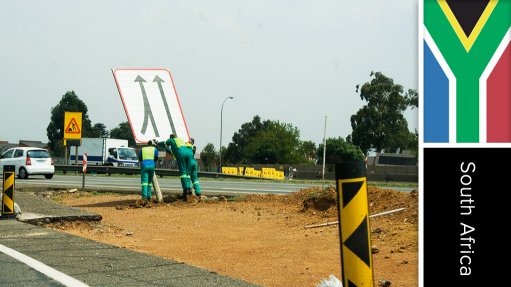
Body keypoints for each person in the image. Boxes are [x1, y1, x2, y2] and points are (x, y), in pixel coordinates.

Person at [155, 134, 193, 200]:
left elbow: (164, 143)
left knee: (183, 173)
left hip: (182, 154)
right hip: (189, 153)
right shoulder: (180, 140)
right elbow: (170, 151)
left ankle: (185, 189)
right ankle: (189, 188)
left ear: (171, 138)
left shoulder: (172, 140)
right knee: (187, 173)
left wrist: (157, 143)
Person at [138, 140, 158, 204]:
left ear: (147, 144)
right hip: (152, 165)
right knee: (149, 182)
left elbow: (140, 157)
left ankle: (144, 197)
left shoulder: (142, 149)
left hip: (144, 165)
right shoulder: (155, 149)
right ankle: (149, 197)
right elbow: (156, 157)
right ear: (152, 144)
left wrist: (142, 162)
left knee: (144, 182)